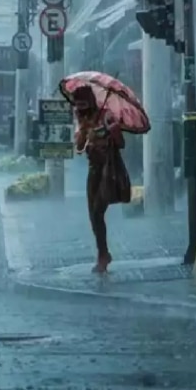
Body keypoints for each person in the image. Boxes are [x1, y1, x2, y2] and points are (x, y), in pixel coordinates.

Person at [73, 85, 125, 274]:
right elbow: (79, 149)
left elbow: (121, 143)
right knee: (93, 216)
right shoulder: (83, 119)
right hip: (93, 169)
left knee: (97, 211)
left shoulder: (106, 116)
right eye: (78, 107)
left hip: (107, 169)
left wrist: (113, 131)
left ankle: (103, 255)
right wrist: (82, 135)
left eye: (83, 105)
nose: (80, 110)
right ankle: (103, 252)